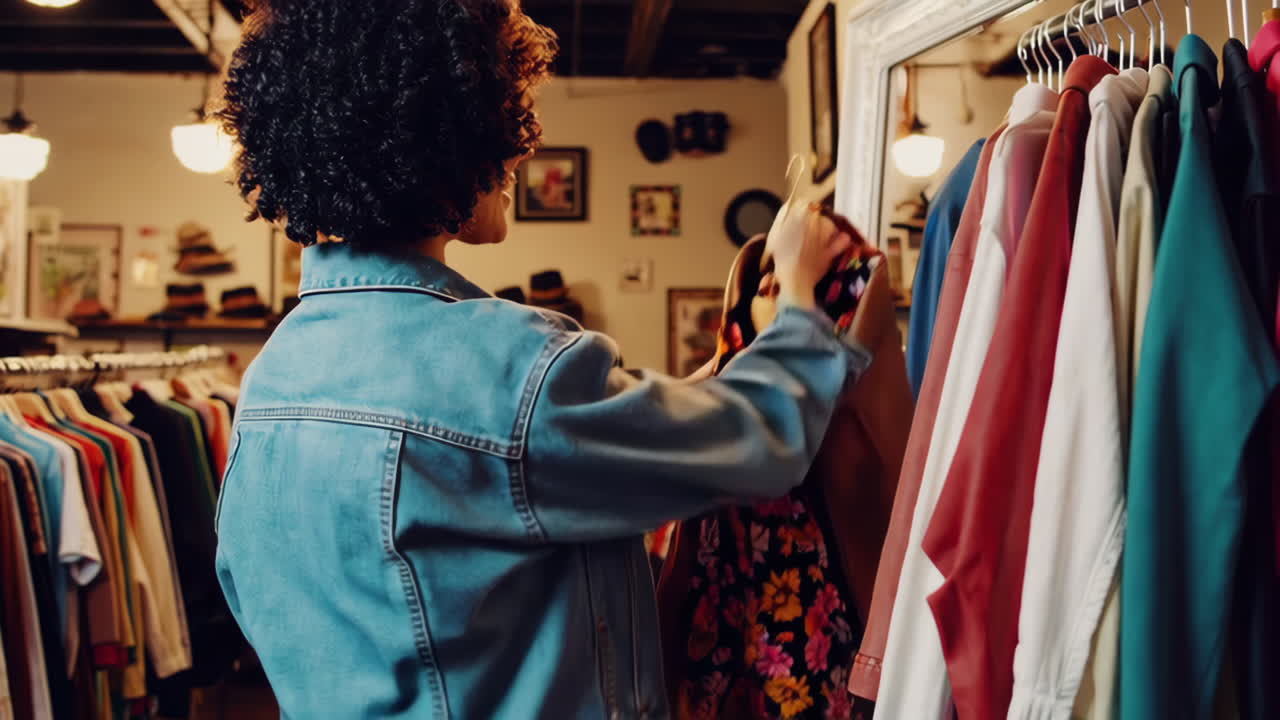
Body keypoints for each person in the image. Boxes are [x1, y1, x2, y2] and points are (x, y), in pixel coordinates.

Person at [212, 1, 868, 717]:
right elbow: (763, 443)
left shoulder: (272, 381)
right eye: (507, 117)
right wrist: (801, 296)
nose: (522, 151)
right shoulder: (513, 369)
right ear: (447, 135)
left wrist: (713, 376)